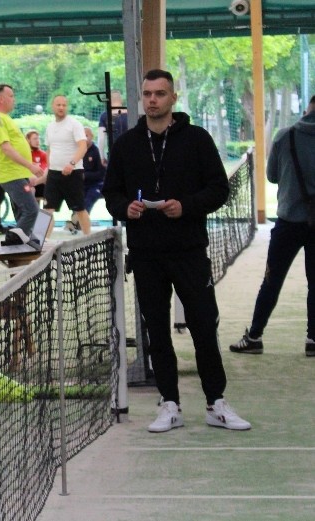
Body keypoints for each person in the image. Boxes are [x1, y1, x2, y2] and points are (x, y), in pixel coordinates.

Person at [102, 68, 251, 433]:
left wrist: (186, 205)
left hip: (189, 252)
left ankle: (216, 403)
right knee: (156, 332)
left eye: (160, 93)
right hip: (147, 254)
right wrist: (126, 209)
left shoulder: (197, 140)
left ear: (173, 98)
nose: (153, 99)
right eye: (148, 93)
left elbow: (219, 189)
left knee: (203, 326)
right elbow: (112, 195)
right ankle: (169, 404)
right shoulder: (125, 146)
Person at [229, 94, 315, 357]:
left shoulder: (284, 136)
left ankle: (254, 336)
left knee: (271, 280)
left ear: (307, 109)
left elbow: (273, 176)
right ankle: (313, 340)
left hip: (288, 222)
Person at [0, 84, 42, 247]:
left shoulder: (5, 118)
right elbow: (6, 148)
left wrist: (27, 172)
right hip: (11, 175)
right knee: (32, 210)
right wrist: (30, 166)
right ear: (1, 99)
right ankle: (13, 241)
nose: (14, 99)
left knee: (22, 213)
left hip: (18, 173)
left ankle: (21, 249)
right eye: (11, 96)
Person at [44, 95, 90, 236]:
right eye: (58, 105)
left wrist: (71, 164)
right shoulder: (50, 127)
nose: (61, 107)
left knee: (79, 209)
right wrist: (48, 169)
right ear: (53, 106)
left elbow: (83, 147)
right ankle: (42, 243)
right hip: (54, 174)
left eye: (64, 105)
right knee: (47, 210)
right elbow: (49, 149)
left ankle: (90, 239)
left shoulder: (74, 124)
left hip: (73, 173)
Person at [98, 89, 129, 164]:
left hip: (113, 153)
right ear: (120, 99)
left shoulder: (105, 116)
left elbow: (101, 139)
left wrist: (101, 156)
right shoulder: (131, 113)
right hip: (130, 152)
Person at [25, 129, 49, 206]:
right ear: (28, 140)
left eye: (38, 138)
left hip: (41, 184)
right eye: (35, 139)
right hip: (28, 186)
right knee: (30, 188)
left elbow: (44, 170)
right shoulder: (25, 155)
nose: (37, 141)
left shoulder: (43, 154)